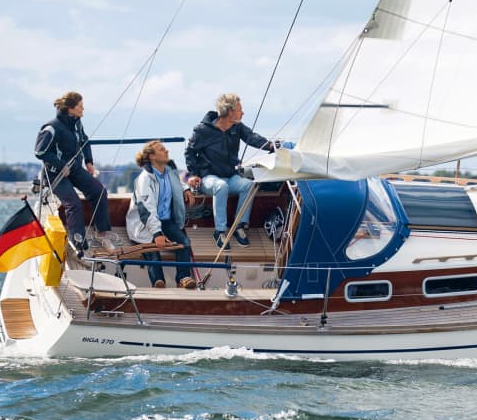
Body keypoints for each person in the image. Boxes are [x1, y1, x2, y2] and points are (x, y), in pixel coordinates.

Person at [184, 93, 290, 248]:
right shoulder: (202, 130)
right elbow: (189, 152)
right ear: (229, 112)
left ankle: (238, 226)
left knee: (249, 185)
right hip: (208, 178)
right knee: (221, 186)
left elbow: (252, 137)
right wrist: (193, 174)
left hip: (230, 176)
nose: (243, 113)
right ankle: (220, 231)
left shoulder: (237, 127)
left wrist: (271, 146)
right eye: (239, 109)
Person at [34, 91, 122, 253]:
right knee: (73, 204)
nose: (83, 110)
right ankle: (77, 241)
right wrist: (61, 165)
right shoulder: (52, 128)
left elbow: (84, 141)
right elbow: (40, 152)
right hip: (56, 174)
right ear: (70, 109)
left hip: (75, 169)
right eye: (80, 107)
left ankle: (101, 234)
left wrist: (89, 161)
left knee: (99, 192)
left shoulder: (77, 123)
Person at [125, 141, 197, 289]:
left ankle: (183, 278)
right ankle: (158, 282)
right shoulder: (144, 179)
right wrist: (157, 233)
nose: (167, 151)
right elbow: (146, 209)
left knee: (184, 242)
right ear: (151, 156)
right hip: (143, 222)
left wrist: (186, 189)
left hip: (165, 220)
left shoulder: (169, 170)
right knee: (152, 248)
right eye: (162, 149)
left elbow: (177, 182)